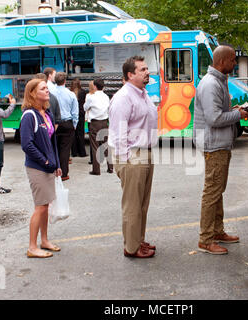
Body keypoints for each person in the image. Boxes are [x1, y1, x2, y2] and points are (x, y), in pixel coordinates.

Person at [193, 45, 248, 255]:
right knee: (212, 191)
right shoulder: (211, 84)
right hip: (214, 144)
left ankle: (217, 232)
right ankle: (206, 239)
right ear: (222, 61)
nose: (235, 63)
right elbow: (214, 118)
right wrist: (239, 115)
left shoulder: (218, 81)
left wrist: (232, 111)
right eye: (233, 60)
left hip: (218, 143)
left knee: (217, 190)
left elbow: (216, 113)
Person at [109, 56, 158, 259]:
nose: (147, 72)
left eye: (147, 68)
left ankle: (137, 239)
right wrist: (126, 160)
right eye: (142, 69)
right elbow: (119, 133)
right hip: (133, 156)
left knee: (142, 204)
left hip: (144, 152)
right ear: (130, 75)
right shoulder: (123, 97)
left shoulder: (142, 94)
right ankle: (131, 247)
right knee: (132, 205)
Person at [20, 78, 62, 258]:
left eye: (47, 88)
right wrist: (45, 162)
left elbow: (53, 142)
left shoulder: (47, 113)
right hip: (37, 168)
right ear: (32, 93)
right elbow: (26, 145)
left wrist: (57, 165)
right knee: (40, 207)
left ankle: (44, 241)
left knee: (45, 205)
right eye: (43, 88)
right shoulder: (29, 116)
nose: (47, 91)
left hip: (49, 167)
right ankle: (32, 247)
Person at [84, 78, 113, 175]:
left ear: (95, 86)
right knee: (106, 145)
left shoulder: (91, 97)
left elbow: (85, 107)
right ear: (103, 86)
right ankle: (110, 167)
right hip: (104, 122)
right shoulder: (106, 97)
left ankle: (96, 170)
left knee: (95, 146)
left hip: (94, 123)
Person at [53, 72, 78, 181]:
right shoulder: (71, 94)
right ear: (65, 81)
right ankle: (64, 174)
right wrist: (74, 124)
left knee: (55, 148)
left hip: (54, 123)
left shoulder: (51, 93)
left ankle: (55, 170)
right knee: (65, 149)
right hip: (67, 123)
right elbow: (75, 112)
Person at [70, 78, 88, 158]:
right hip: (81, 114)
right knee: (80, 133)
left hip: (72, 114)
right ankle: (82, 152)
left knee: (73, 133)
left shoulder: (70, 92)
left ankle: (74, 152)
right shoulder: (83, 92)